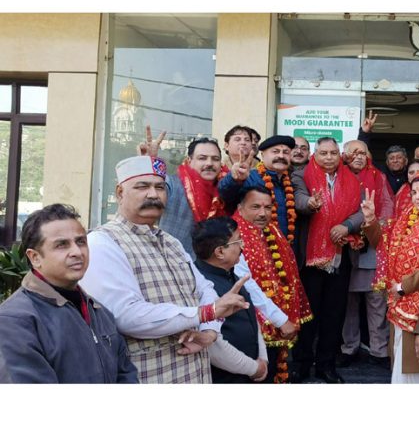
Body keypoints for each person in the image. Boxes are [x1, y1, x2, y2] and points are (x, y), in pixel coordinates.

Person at [81, 155, 249, 383]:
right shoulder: (103, 242)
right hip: (148, 377)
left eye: (160, 187)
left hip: (195, 373)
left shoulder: (172, 242)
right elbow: (126, 315)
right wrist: (204, 313)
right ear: (120, 193)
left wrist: (210, 331)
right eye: (142, 186)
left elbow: (204, 290)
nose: (153, 194)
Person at [0, 204, 138, 383]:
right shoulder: (14, 321)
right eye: (61, 245)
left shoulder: (99, 311)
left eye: (81, 241)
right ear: (35, 257)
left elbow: (126, 374)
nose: (77, 252)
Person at [362, 168, 419, 383]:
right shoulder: (408, 218)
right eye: (414, 192)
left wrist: (403, 286)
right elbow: (383, 245)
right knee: (402, 367)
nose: (417, 197)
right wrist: (370, 220)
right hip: (401, 301)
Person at [291, 137, 364, 383]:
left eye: (333, 152)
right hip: (310, 259)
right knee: (308, 314)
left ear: (339, 154)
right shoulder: (302, 175)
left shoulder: (352, 179)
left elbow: (363, 211)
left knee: (334, 314)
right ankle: (301, 364)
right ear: (315, 154)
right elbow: (299, 199)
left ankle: (326, 365)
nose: (329, 157)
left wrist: (346, 226)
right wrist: (310, 204)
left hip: (340, 255)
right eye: (324, 153)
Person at [232, 186, 313, 383]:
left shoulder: (272, 231)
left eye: (268, 207)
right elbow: (247, 285)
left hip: (275, 320)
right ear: (240, 209)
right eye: (256, 207)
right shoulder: (234, 237)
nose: (263, 213)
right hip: (251, 326)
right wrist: (279, 319)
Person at [191, 217, 269, 384]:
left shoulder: (232, 275)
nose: (243, 246)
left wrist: (262, 358)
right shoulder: (201, 285)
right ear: (220, 252)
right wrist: (254, 368)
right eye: (238, 241)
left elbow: (252, 317)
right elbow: (214, 346)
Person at [337, 140, 392, 369]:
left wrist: (376, 227)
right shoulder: (337, 176)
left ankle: (379, 351)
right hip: (342, 248)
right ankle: (349, 348)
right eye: (354, 153)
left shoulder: (378, 177)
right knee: (347, 303)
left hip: (372, 245)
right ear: (344, 156)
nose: (359, 157)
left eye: (363, 153)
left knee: (376, 301)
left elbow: (388, 206)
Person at [158, 134, 227, 259]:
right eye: (202, 158)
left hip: (212, 269)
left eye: (215, 159)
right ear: (189, 161)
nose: (209, 163)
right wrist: (148, 162)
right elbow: (151, 191)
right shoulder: (173, 185)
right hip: (174, 265)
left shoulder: (224, 191)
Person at [218, 135, 297, 242]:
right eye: (275, 151)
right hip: (253, 244)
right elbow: (225, 194)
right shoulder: (249, 177)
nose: (281, 156)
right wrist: (234, 179)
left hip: (283, 246)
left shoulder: (289, 182)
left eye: (286, 152)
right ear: (263, 155)